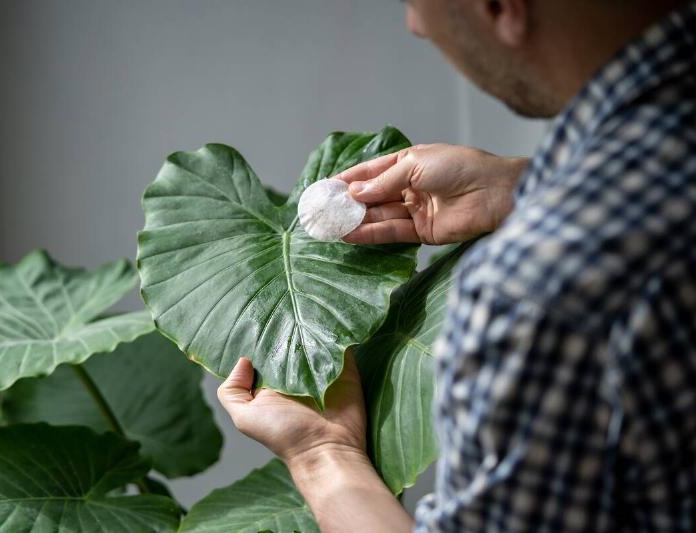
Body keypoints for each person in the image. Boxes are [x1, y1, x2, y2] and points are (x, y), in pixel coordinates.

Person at [218, 0, 696, 531]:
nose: (415, 25)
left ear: (499, 7)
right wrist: (517, 189)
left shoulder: (534, 289)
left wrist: (321, 453)